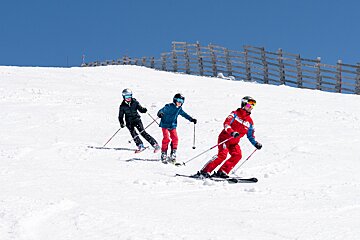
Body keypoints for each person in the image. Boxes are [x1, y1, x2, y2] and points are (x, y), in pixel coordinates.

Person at [194, 96, 262, 178]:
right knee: (222, 155)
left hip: (234, 143)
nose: (251, 107)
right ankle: (205, 171)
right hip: (225, 138)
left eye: (253, 105)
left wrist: (255, 144)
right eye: (249, 105)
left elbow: (250, 136)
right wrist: (231, 132)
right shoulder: (235, 114)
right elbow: (226, 124)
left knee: (237, 155)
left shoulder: (250, 122)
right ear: (243, 104)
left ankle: (222, 172)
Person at [157, 93, 197, 163]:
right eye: (178, 100)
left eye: (182, 101)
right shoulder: (168, 106)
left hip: (172, 125)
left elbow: (184, 114)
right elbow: (161, 111)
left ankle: (173, 153)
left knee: (175, 138)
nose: (180, 102)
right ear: (175, 100)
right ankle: (164, 153)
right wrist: (160, 114)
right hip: (165, 125)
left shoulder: (179, 109)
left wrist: (191, 119)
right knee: (166, 138)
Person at [118, 88, 160, 153]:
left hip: (137, 120)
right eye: (126, 96)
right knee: (133, 133)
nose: (128, 98)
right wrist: (121, 123)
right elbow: (120, 116)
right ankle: (140, 145)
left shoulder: (135, 102)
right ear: (123, 97)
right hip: (129, 122)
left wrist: (143, 110)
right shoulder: (122, 106)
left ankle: (155, 144)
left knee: (143, 132)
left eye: (129, 96)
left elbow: (140, 109)